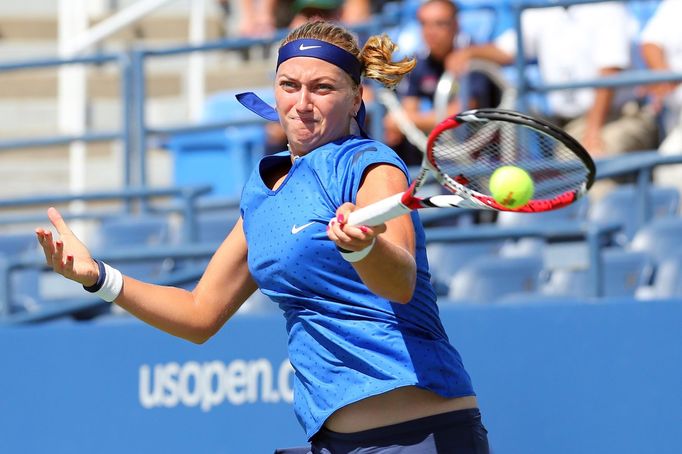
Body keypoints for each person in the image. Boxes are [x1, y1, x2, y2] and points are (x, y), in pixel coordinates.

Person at [35, 20, 489, 454]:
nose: (302, 103)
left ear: (355, 99)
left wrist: (365, 247)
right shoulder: (263, 187)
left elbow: (399, 280)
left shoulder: (370, 162)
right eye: (289, 85)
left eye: (322, 88)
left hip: (420, 437)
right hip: (332, 441)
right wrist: (99, 277)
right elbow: (199, 315)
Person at [458, 1, 659, 159]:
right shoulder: (543, 11)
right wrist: (467, 54)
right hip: (569, 126)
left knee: (591, 164)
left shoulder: (608, 9)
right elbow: (505, 50)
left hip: (619, 117)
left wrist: (592, 130)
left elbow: (609, 72)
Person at [384, 0, 502, 166]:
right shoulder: (418, 64)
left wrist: (403, 120)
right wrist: (403, 121)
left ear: (456, 25)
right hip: (445, 157)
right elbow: (408, 110)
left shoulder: (473, 61)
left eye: (440, 24)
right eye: (425, 24)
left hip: (484, 157)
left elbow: (460, 115)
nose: (431, 32)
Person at [640, 0, 682, 196]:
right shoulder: (673, 6)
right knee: (668, 164)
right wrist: (665, 81)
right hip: (676, 119)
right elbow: (651, 43)